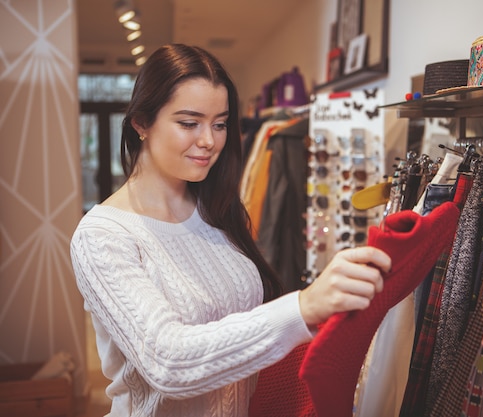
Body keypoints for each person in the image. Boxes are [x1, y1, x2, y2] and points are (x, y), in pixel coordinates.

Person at [70, 43, 391, 417]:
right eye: (189, 123)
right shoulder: (103, 236)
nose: (209, 141)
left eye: (220, 124)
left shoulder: (215, 210)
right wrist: (302, 308)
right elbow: (167, 362)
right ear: (141, 122)